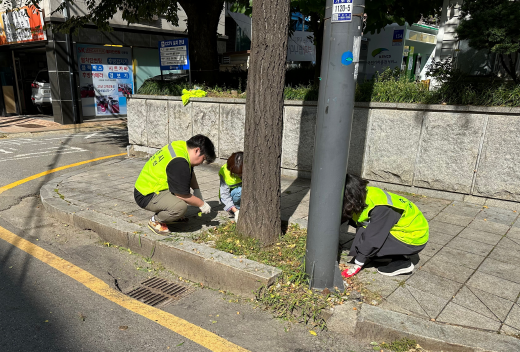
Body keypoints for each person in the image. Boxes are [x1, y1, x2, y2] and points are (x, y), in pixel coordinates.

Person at [341, 174, 429, 278]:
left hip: (413, 238)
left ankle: (402, 263)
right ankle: (384, 252)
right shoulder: (361, 193)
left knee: (369, 238)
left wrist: (358, 263)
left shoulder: (381, 208)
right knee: (365, 235)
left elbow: (373, 237)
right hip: (406, 230)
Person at [134, 134, 216, 235]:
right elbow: (182, 195)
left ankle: (172, 215)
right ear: (197, 150)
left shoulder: (181, 147)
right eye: (203, 159)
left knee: (184, 194)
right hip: (146, 194)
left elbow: (190, 172)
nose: (201, 163)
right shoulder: (180, 161)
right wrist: (201, 204)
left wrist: (196, 190)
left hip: (149, 186)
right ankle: (155, 221)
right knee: (179, 207)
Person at [219, 152, 243, 222]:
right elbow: (224, 195)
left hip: (241, 197)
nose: (239, 176)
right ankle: (236, 209)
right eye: (236, 173)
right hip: (232, 198)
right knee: (241, 190)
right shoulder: (225, 172)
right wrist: (236, 211)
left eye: (241, 173)